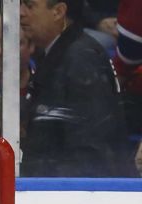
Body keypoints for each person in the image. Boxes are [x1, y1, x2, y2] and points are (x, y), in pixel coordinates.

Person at [20, 0, 136, 177]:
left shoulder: (81, 59)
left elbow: (92, 149)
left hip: (83, 194)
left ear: (58, 12)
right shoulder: (57, 53)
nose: (21, 13)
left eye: (30, 6)